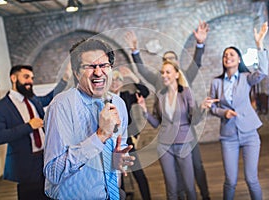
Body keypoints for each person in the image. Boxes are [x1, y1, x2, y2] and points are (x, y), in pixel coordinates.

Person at [125, 21, 211, 200]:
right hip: (167, 139)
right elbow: (143, 71)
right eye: (166, 61)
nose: (169, 64)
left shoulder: (185, 79)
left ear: (177, 66)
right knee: (174, 178)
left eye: (172, 60)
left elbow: (196, 62)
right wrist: (135, 51)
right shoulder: (160, 82)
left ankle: (205, 195)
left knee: (197, 167)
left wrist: (200, 44)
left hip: (187, 134)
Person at [43, 38, 135, 199]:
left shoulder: (118, 103)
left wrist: (118, 160)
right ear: (76, 72)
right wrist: (100, 136)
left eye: (104, 65)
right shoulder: (61, 106)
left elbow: (120, 148)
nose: (98, 72)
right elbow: (53, 172)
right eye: (90, 66)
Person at [202, 22, 269, 200]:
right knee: (230, 181)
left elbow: (263, 71)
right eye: (225, 55)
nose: (228, 57)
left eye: (232, 54)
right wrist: (223, 113)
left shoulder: (247, 78)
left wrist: (259, 44)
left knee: (251, 179)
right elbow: (213, 108)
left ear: (239, 59)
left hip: (249, 134)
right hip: (228, 135)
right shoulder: (216, 83)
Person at [0, 64, 71, 200]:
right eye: (26, 77)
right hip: (26, 166)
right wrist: (28, 126)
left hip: (45, 160)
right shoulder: (0, 108)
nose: (30, 82)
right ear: (13, 78)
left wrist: (64, 79)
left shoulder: (33, 100)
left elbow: (50, 97)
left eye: (32, 78)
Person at [137, 60, 198, 200]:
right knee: (171, 188)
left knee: (189, 186)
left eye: (168, 72)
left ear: (176, 74)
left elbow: (194, 117)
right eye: (162, 72)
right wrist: (145, 111)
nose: (164, 75)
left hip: (183, 143)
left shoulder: (186, 92)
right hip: (164, 146)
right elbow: (156, 123)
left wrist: (201, 110)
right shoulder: (160, 95)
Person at [109, 66, 151, 200]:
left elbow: (145, 92)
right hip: (111, 145)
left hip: (128, 142)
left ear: (122, 82)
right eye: (113, 79)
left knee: (139, 174)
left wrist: (133, 76)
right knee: (118, 178)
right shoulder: (105, 99)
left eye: (118, 79)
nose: (115, 82)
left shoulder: (126, 96)